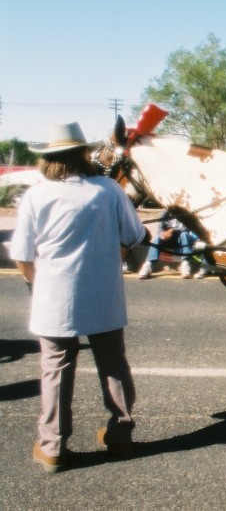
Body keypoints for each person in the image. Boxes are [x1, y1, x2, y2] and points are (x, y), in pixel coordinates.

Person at [10, 122, 149, 472]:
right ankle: (120, 436)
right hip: (103, 292)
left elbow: (23, 254)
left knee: (56, 368)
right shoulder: (107, 190)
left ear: (49, 159)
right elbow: (134, 234)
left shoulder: (37, 195)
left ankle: (54, 446)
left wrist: (34, 284)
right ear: (84, 154)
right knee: (113, 365)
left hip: (54, 296)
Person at [138, 209, 199, 279]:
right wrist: (163, 235)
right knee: (158, 238)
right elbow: (160, 229)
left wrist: (171, 231)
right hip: (169, 239)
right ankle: (148, 265)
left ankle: (185, 263)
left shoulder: (184, 211)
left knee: (184, 234)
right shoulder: (164, 213)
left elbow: (186, 228)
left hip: (183, 239)